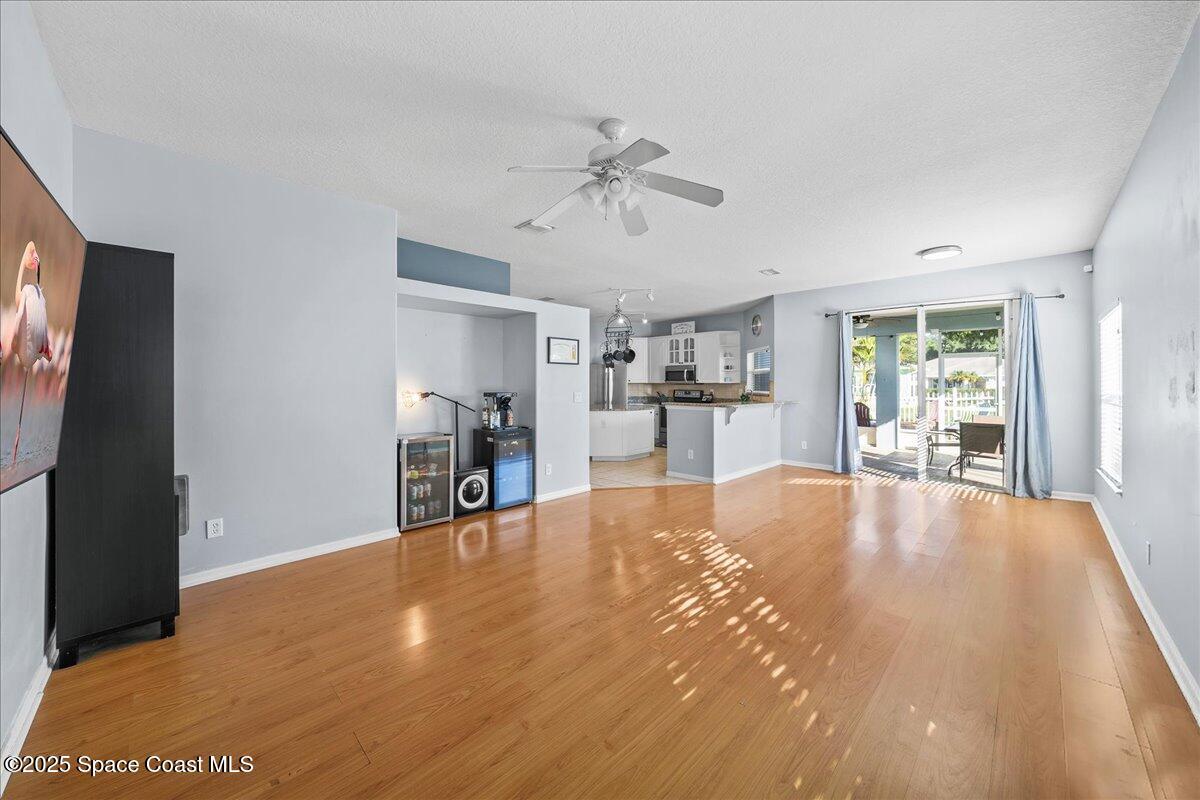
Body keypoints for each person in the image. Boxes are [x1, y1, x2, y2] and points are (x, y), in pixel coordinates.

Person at [7, 241, 52, 461]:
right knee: (18, 418)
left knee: (19, 420)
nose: (34, 257)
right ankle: (13, 462)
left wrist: (11, 346)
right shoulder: (31, 294)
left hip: (32, 348)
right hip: (33, 348)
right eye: (32, 254)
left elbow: (17, 326)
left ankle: (14, 461)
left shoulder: (29, 293)